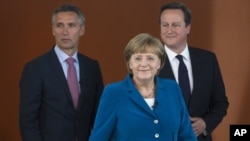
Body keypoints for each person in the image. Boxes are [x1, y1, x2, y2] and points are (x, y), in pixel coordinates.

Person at [89, 33, 197, 141]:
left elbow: (187, 136)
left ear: (159, 63)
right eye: (138, 58)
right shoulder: (113, 92)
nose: (144, 64)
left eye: (150, 58)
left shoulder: (172, 89)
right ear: (130, 63)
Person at [19, 4, 104, 141]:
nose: (65, 32)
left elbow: (100, 116)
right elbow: (28, 121)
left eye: (71, 25)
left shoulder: (92, 67)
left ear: (81, 30)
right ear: (53, 30)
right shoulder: (35, 68)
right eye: (60, 25)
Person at [158, 2, 229, 141]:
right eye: (164, 25)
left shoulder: (208, 60)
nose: (169, 30)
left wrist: (205, 124)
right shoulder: (147, 63)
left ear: (188, 28)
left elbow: (220, 102)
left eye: (175, 25)